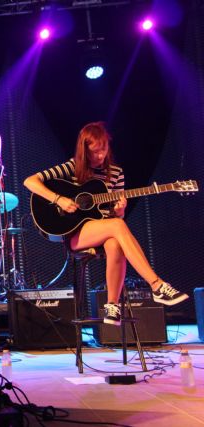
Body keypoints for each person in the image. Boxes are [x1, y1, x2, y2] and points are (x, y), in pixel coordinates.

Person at [24, 121, 188, 325]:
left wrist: (120, 211)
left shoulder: (116, 173)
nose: (101, 156)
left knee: (115, 242)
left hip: (104, 229)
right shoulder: (71, 167)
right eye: (95, 152)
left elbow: (116, 218)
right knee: (117, 227)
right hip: (76, 234)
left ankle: (112, 306)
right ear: (84, 151)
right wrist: (58, 199)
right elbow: (29, 181)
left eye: (104, 150)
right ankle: (157, 285)